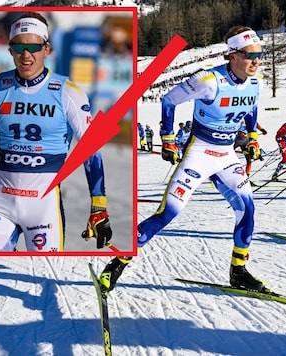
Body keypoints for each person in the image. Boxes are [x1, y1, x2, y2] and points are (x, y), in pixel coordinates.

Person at [99, 25, 267, 293]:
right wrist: (167, 136)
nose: (256, 60)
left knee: (247, 209)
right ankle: (117, 263)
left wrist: (252, 137)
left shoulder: (257, 82)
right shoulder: (209, 81)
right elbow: (169, 100)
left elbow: (251, 106)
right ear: (232, 55)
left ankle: (239, 271)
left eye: (260, 53)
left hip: (226, 155)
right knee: (169, 212)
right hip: (199, 153)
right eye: (249, 55)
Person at [0, 12, 112, 252]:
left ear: (47, 49)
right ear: (10, 50)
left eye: (33, 46)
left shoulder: (68, 93)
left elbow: (90, 150)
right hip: (0, 202)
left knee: (40, 282)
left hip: (43, 208)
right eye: (19, 46)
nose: (26, 54)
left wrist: (98, 207)